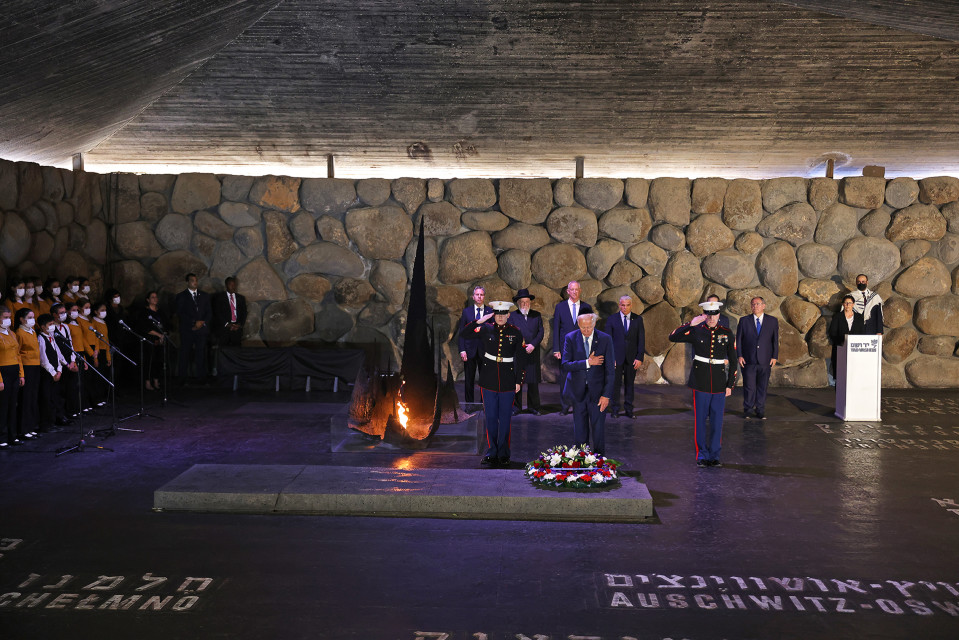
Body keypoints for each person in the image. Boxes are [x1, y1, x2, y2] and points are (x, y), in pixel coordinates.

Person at [669, 300, 738, 468]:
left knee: (717, 421)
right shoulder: (696, 331)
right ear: (704, 315)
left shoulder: (727, 333)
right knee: (700, 421)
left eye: (715, 314)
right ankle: (702, 454)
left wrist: (730, 385)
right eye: (709, 314)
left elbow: (734, 361)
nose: (712, 318)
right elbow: (673, 336)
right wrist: (691, 323)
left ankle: (714, 455)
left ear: (719, 315)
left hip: (720, 383)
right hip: (700, 382)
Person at [464, 300, 525, 466]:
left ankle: (504, 453)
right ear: (494, 315)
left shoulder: (515, 332)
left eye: (503, 314)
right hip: (488, 379)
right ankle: (492, 452)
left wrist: (519, 380)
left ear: (508, 315)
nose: (500, 317)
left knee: (505, 419)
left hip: (507, 380)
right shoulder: (486, 329)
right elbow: (465, 333)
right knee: (490, 417)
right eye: (497, 314)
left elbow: (520, 358)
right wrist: (481, 320)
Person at [562, 313, 615, 455]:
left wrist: (606, 395)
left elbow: (610, 371)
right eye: (583, 327)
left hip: (598, 393)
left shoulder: (605, 339)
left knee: (598, 431)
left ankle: (599, 464)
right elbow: (565, 365)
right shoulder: (570, 338)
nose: (586, 330)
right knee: (580, 431)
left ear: (594, 324)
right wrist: (587, 362)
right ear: (578, 325)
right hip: (578, 392)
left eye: (589, 327)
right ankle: (581, 462)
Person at [552, 281, 593, 414]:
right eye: (572, 290)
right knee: (565, 378)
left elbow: (591, 329)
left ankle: (579, 405)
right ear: (568, 291)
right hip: (565, 349)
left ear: (580, 291)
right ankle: (565, 406)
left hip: (582, 348)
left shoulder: (587, 307)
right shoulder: (560, 307)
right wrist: (556, 349)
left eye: (576, 289)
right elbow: (556, 328)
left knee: (581, 378)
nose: (574, 292)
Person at [735, 297, 779, 419]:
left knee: (762, 386)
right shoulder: (744, 321)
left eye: (758, 304)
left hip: (765, 360)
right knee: (749, 386)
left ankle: (760, 409)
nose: (755, 306)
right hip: (748, 359)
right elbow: (739, 340)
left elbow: (775, 340)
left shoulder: (772, 321)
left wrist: (774, 356)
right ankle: (748, 409)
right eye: (753, 304)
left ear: (764, 306)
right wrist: (739, 355)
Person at [605, 295, 645, 418]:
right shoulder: (612, 319)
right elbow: (608, 341)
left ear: (631, 305)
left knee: (630, 384)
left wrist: (639, 357)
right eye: (623, 305)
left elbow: (641, 340)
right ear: (619, 305)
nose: (625, 307)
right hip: (616, 358)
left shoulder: (638, 319)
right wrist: (611, 358)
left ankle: (629, 409)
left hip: (632, 358)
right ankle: (615, 409)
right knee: (615, 384)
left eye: (628, 305)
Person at [507, 288, 543, 415]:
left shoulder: (536, 315)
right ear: (518, 303)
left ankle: (534, 407)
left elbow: (540, 332)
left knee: (533, 382)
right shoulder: (512, 316)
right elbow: (510, 333)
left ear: (530, 303)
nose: (524, 304)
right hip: (518, 353)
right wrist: (520, 346)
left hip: (532, 352)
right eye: (522, 302)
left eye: (527, 302)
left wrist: (532, 345)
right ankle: (516, 407)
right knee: (518, 381)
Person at [456, 286, 492, 403]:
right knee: (469, 379)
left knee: (485, 379)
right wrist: (462, 350)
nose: (479, 297)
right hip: (469, 349)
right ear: (473, 297)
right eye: (477, 294)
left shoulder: (490, 312)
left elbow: (492, 332)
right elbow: (462, 332)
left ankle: (484, 403)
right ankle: (469, 403)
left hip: (485, 350)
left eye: (481, 295)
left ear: (484, 297)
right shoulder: (466, 312)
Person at [175, 273, 213, 382]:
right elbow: (180, 313)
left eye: (196, 280)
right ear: (187, 282)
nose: (195, 282)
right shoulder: (181, 296)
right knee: (185, 354)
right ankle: (182, 379)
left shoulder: (205, 296)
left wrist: (202, 322)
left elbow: (209, 312)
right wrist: (193, 323)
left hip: (201, 330)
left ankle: (201, 378)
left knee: (201, 354)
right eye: (192, 280)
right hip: (188, 330)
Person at [36, 313, 67, 433]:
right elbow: (43, 359)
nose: (52, 326)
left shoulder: (52, 336)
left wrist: (59, 369)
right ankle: (45, 424)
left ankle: (53, 421)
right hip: (47, 374)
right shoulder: (41, 339)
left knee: (54, 397)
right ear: (43, 327)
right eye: (50, 324)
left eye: (53, 324)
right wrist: (53, 372)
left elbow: (57, 353)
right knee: (46, 398)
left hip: (55, 373)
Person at [14, 307, 40, 441]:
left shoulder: (33, 331)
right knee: (25, 398)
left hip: (36, 366)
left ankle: (31, 427)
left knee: (33, 397)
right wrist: (21, 373)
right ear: (21, 319)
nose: (32, 320)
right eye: (29, 317)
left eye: (33, 317)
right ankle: (23, 430)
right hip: (26, 367)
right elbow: (17, 352)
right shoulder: (19, 332)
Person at [0, 306, 24, 448]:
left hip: (14, 371)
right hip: (3, 372)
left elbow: (18, 355)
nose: (8, 320)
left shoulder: (12, 334)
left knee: (13, 405)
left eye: (10, 317)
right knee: (2, 407)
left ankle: (12, 435)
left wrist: (21, 374)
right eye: (5, 317)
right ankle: (2, 437)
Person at [828, 294, 867, 380]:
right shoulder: (837, 317)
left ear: (853, 304)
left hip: (855, 349)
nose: (848, 305)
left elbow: (862, 332)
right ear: (843, 304)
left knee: (854, 372)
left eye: (850, 303)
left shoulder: (859, 317)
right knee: (841, 373)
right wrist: (841, 342)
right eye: (846, 303)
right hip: (840, 347)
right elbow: (832, 332)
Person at [137, 291, 168, 391]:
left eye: (156, 297)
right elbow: (144, 327)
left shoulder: (160, 311)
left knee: (158, 361)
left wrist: (163, 335)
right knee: (149, 361)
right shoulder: (144, 312)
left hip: (161, 340)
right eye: (152, 297)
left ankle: (156, 380)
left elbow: (166, 324)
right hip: (149, 340)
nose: (155, 299)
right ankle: (147, 382)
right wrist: (158, 335)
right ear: (148, 299)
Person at [213, 277, 247, 347]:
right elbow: (217, 313)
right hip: (224, 329)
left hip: (237, 329)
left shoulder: (241, 298)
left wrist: (239, 324)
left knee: (236, 350)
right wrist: (227, 324)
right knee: (224, 350)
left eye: (234, 285)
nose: (233, 287)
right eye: (231, 285)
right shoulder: (219, 298)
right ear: (226, 285)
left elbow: (244, 313)